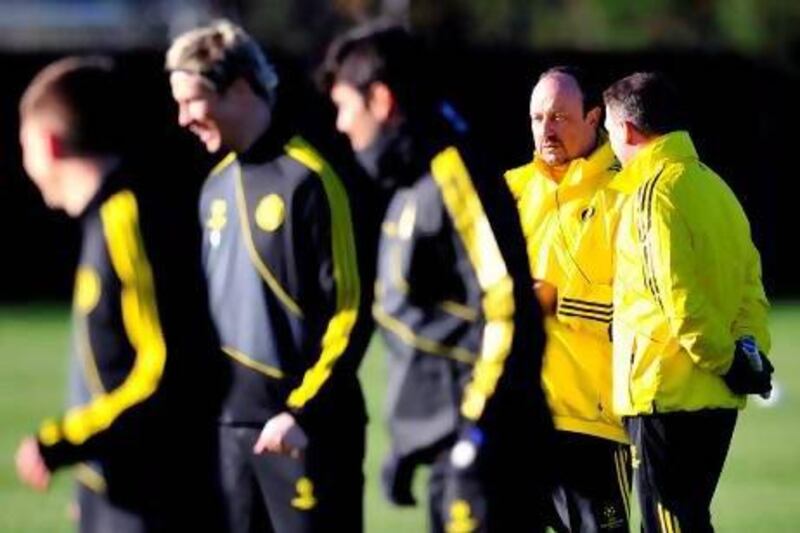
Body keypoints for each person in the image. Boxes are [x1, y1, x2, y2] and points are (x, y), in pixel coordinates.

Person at [323, 23, 554, 532]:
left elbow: (506, 307)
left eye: (345, 106)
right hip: (451, 454)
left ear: (381, 100)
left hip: (484, 457)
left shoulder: (454, 172)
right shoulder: (412, 181)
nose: (340, 124)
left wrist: (476, 432)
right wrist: (410, 444)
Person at [166, 19, 370, 533]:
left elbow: (350, 310)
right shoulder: (212, 187)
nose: (182, 118)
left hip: (303, 432)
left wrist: (302, 413)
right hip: (226, 433)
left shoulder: (310, 178)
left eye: (192, 101)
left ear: (238, 88)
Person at [14, 56, 222, 532]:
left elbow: (165, 371)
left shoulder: (127, 219)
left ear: (47, 144)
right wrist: (93, 482)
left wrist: (63, 440)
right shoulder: (103, 220)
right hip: (121, 491)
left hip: (159, 499)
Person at [603, 71, 773, 532]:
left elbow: (677, 298)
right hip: (717, 395)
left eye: (609, 133)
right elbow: (750, 286)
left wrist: (725, 359)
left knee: (668, 525)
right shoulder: (716, 188)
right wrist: (748, 355)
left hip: (668, 395)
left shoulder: (652, 194)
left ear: (626, 130)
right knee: (689, 521)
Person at [504, 66, 631, 532]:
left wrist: (559, 301)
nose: (546, 129)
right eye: (537, 117)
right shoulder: (509, 190)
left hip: (591, 424)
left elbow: (643, 305)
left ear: (593, 117)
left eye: (559, 116)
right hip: (517, 421)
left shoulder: (626, 193)